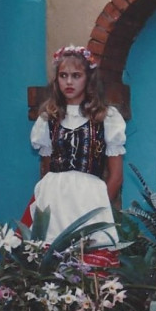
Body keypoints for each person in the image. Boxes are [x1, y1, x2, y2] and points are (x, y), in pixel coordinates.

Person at [23, 44, 126, 267]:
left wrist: (97, 208)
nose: (69, 82)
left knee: (88, 270)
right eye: (63, 76)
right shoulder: (48, 119)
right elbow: (47, 167)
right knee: (50, 266)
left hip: (89, 199)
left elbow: (116, 175)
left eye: (76, 76)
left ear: (88, 79)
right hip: (55, 199)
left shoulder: (105, 118)